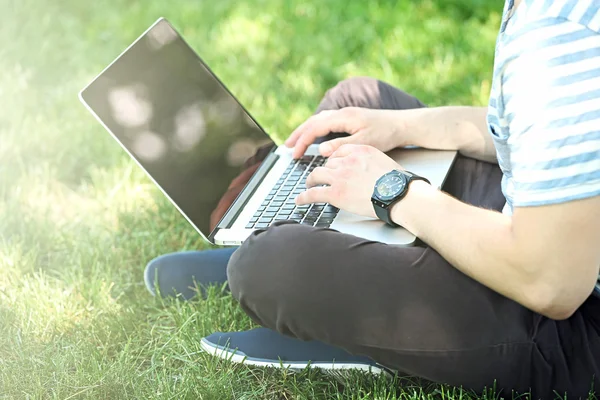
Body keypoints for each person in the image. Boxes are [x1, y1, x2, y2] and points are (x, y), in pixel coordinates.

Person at [144, 0, 600, 398]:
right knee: (354, 101)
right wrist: (403, 126)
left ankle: (330, 288)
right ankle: (298, 240)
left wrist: (396, 191)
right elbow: (522, 132)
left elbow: (552, 282)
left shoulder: (559, 36)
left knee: (268, 267)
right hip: (546, 222)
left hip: (573, 322)